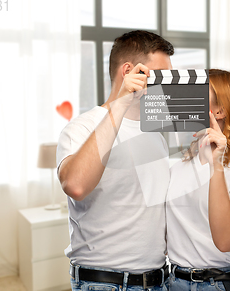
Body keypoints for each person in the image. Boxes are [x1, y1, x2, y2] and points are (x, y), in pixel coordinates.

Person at [56, 30, 174, 291]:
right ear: (130, 71)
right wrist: (120, 104)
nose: (167, 85)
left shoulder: (156, 135)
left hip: (158, 281)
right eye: (161, 76)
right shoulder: (80, 128)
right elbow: (75, 185)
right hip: (105, 283)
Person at [166, 69, 230, 291]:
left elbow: (226, 241)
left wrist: (217, 166)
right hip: (176, 283)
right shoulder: (179, 168)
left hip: (225, 284)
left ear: (219, 109)